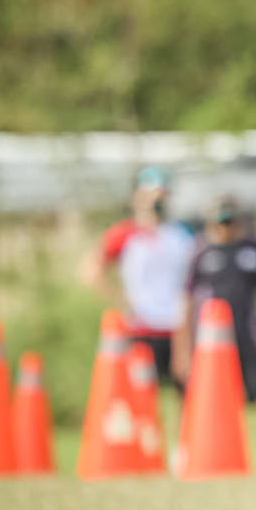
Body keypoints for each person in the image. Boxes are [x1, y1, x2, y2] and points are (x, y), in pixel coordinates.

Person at [176, 195, 256, 471]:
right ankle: (191, 456)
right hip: (210, 347)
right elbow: (185, 303)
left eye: (229, 221)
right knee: (201, 401)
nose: (224, 228)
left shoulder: (255, 250)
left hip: (248, 339)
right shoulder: (200, 253)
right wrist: (182, 350)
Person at [86, 165, 197, 390]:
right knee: (141, 396)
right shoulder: (125, 234)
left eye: (162, 195)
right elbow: (91, 270)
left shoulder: (183, 234)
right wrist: (121, 303)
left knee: (188, 394)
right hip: (141, 329)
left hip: (179, 330)